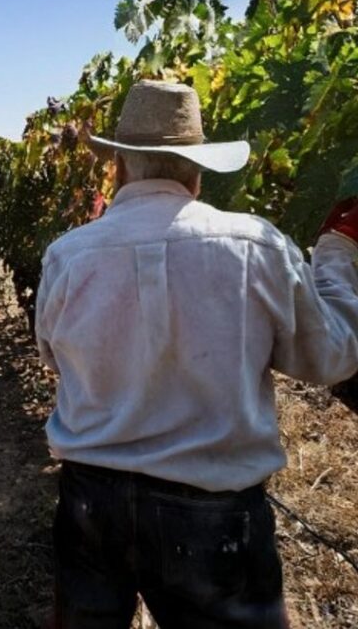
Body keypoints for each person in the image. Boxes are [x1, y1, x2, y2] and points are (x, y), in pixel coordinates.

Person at [35, 80, 357, 628]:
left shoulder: (67, 257)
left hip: (92, 504)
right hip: (214, 517)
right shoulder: (256, 246)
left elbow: (52, 357)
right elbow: (332, 357)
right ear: (197, 172)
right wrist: (339, 253)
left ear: (118, 168)